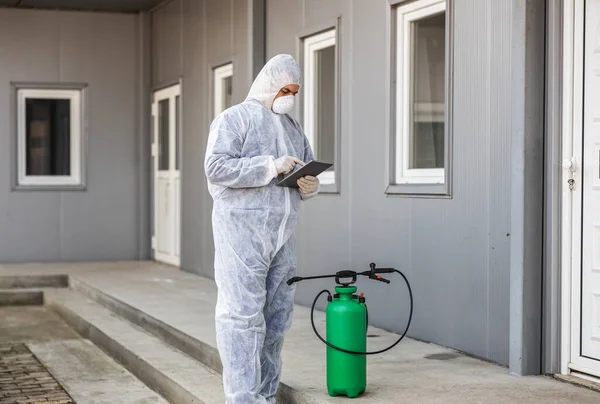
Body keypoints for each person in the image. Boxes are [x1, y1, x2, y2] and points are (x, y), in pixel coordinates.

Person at [204, 54, 320, 404]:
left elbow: (307, 165)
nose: (290, 97)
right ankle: (242, 398)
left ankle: (266, 395)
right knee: (242, 317)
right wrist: (269, 165)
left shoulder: (293, 127)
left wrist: (309, 184)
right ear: (270, 84)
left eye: (295, 91)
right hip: (242, 235)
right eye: (286, 89)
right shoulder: (234, 119)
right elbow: (216, 167)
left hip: (281, 237)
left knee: (276, 319)